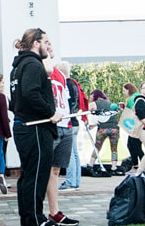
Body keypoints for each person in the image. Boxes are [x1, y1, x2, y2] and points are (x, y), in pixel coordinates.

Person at [9, 28, 63, 226]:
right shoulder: (32, 64)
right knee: (37, 176)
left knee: (28, 176)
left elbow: (15, 101)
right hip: (36, 128)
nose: (47, 47)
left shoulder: (17, 67)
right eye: (45, 42)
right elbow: (31, 94)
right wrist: (51, 113)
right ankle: (35, 219)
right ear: (35, 43)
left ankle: (29, 219)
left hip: (25, 126)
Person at [44, 53, 79, 225]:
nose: (49, 48)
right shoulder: (40, 70)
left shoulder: (60, 75)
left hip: (66, 125)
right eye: (46, 43)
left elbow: (66, 99)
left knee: (56, 170)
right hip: (52, 125)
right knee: (44, 169)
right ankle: (40, 211)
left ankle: (54, 211)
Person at [56, 62, 87, 191]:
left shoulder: (66, 85)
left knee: (69, 154)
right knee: (74, 153)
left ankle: (70, 181)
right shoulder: (74, 84)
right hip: (74, 121)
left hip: (67, 121)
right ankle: (75, 180)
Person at [87, 90, 120, 167]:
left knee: (97, 147)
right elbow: (106, 117)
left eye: (92, 96)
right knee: (114, 149)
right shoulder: (110, 103)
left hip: (102, 129)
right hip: (114, 129)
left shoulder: (94, 104)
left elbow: (93, 115)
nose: (91, 98)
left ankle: (91, 164)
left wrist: (91, 124)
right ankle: (114, 166)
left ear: (95, 96)